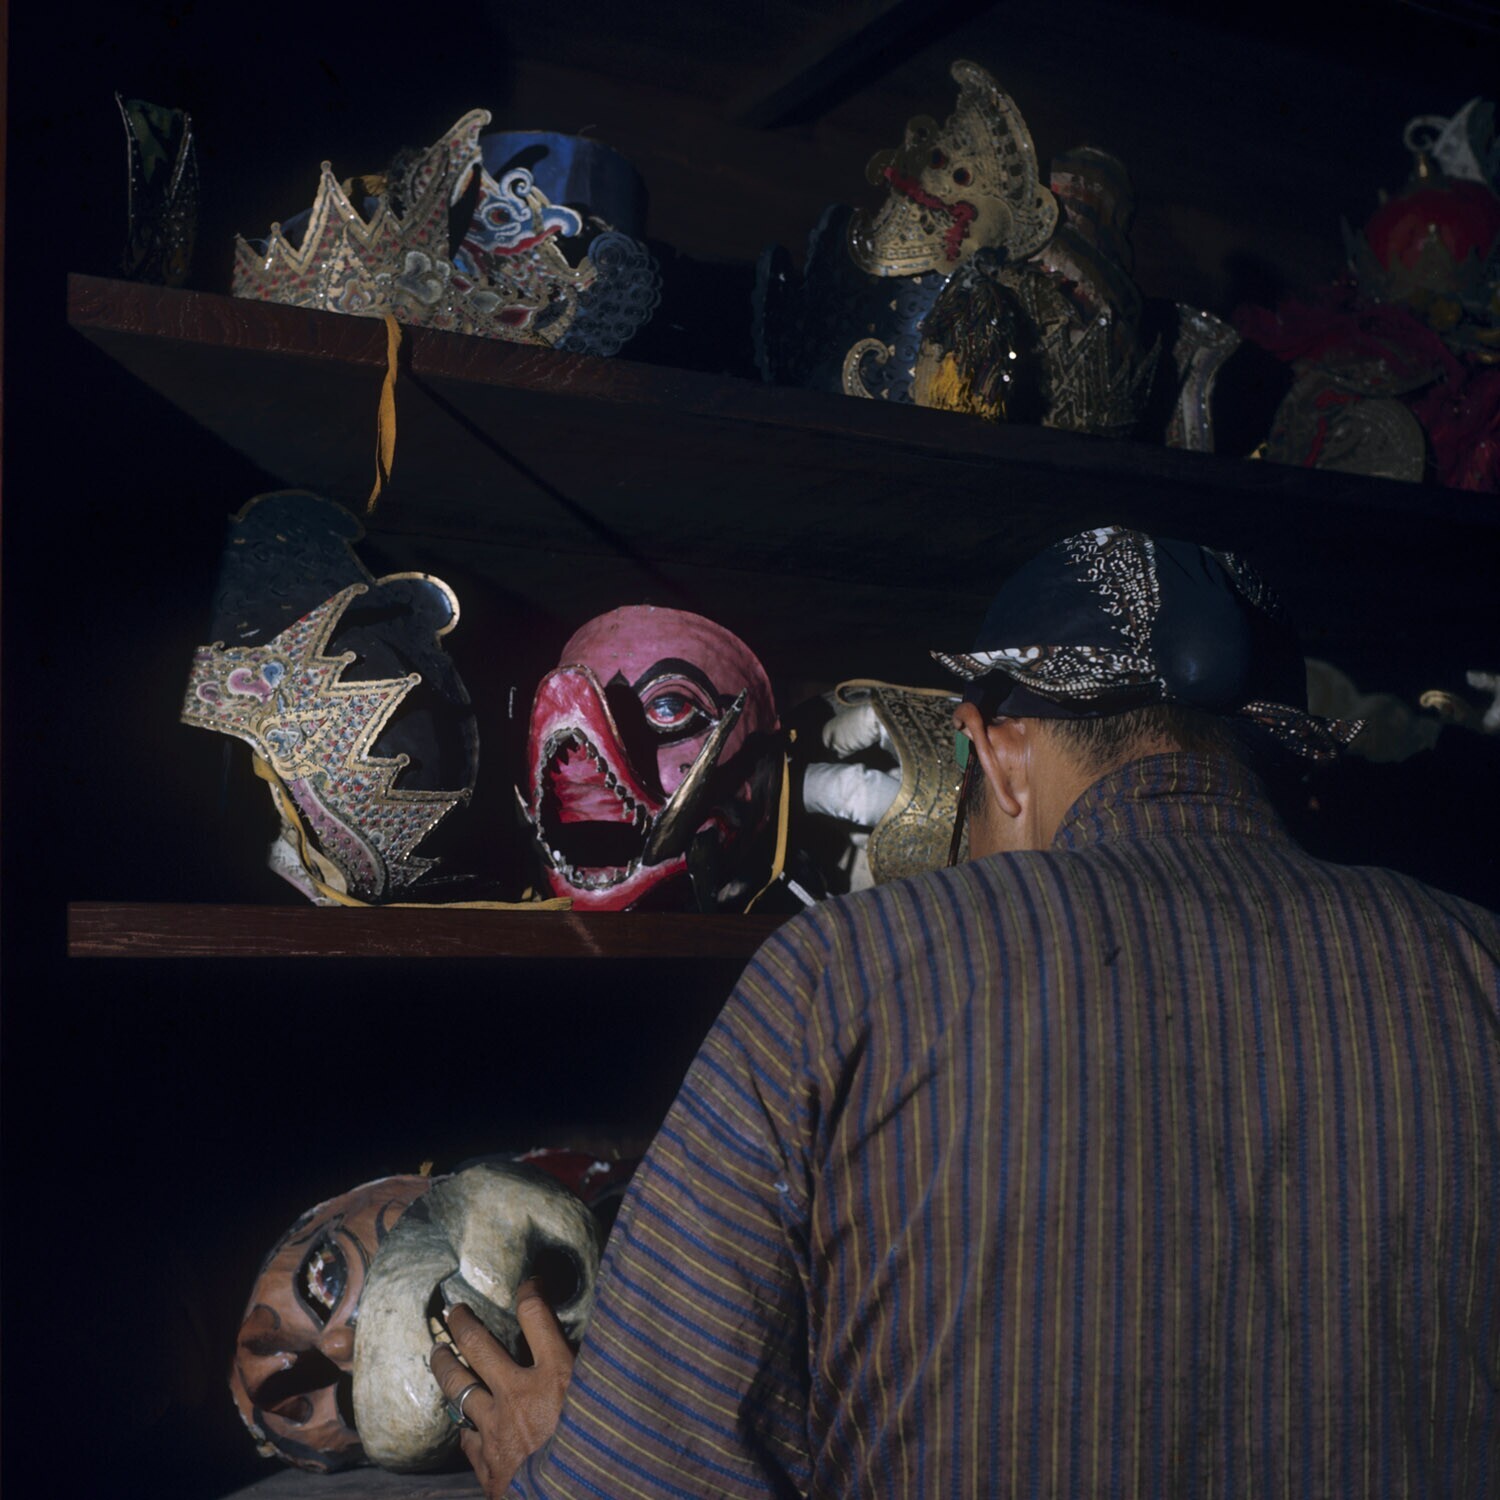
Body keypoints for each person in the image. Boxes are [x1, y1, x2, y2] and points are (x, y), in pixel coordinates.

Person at [432, 524, 1500, 1497]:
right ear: (1288, 762)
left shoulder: (839, 977)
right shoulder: (1477, 961)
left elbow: (642, 1483)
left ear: (995, 752)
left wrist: (549, 1470)